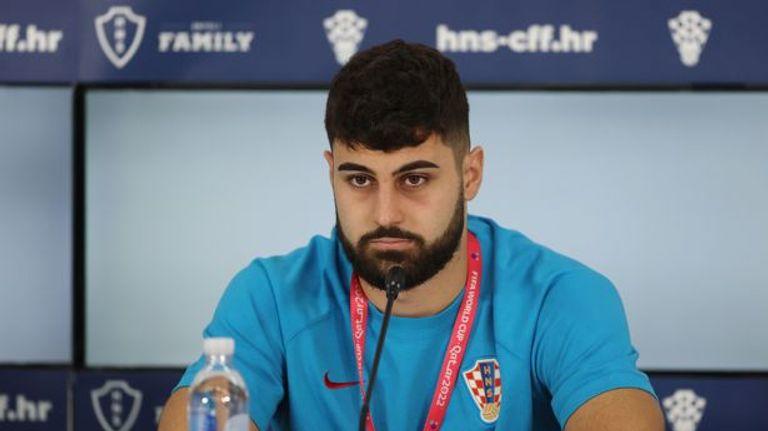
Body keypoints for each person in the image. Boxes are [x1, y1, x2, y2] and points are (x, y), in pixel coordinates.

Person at [158, 39, 663, 431]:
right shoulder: (270, 296)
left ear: (470, 175)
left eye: (415, 179)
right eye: (359, 180)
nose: (386, 213)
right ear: (331, 173)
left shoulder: (560, 295)